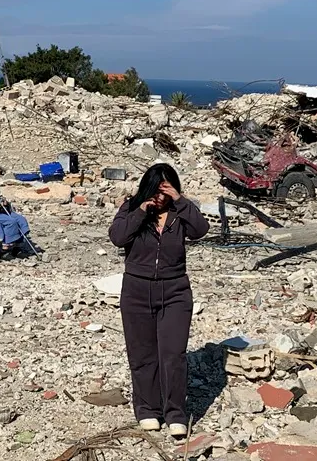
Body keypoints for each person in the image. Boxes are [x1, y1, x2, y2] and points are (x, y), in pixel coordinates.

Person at [108, 163, 211, 437]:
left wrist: (180, 200)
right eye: (158, 188)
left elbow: (201, 229)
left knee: (173, 353)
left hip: (175, 290)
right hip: (137, 290)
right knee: (142, 354)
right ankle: (147, 410)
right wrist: (142, 211)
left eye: (167, 188)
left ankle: (175, 412)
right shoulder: (132, 208)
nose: (161, 195)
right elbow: (118, 237)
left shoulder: (180, 211)